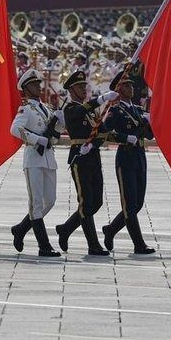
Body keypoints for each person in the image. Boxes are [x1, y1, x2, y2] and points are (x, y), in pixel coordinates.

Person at [55, 70, 119, 256]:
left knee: (96, 201)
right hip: (79, 158)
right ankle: (93, 244)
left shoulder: (91, 112)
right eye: (80, 87)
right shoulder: (70, 108)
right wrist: (101, 99)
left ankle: (66, 229)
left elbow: (103, 132)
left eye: (85, 86)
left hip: (92, 156)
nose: (84, 89)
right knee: (85, 202)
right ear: (71, 90)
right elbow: (80, 112)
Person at [102, 67, 156, 254]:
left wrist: (150, 122)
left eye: (131, 84)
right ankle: (138, 244)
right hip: (125, 157)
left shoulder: (139, 110)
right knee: (129, 204)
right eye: (126, 85)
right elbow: (105, 133)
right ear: (118, 89)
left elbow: (149, 135)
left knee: (137, 203)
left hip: (140, 157)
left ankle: (111, 230)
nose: (131, 87)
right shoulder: (114, 111)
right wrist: (126, 138)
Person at [9, 69, 61, 257]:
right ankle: (44, 246)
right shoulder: (25, 109)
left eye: (38, 83)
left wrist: (60, 121)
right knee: (37, 203)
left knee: (50, 201)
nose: (38, 86)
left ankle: (21, 229)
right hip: (33, 159)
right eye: (34, 84)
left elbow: (56, 132)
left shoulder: (46, 108)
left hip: (48, 159)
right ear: (26, 88)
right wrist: (37, 140)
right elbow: (15, 129)